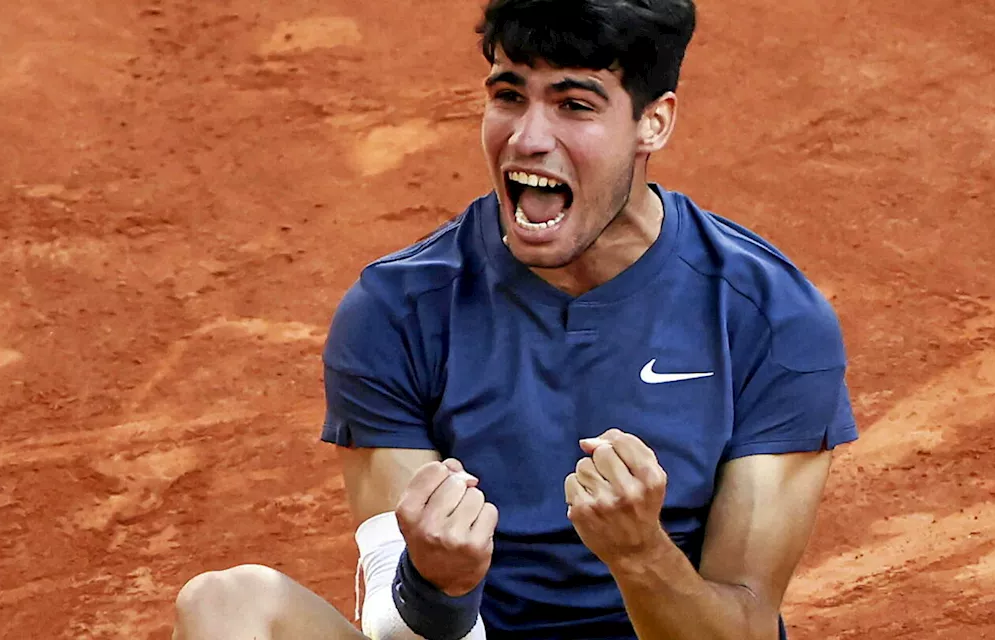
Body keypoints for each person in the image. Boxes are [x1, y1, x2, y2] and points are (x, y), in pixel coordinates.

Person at [173, 0, 859, 638]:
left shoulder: (769, 317)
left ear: (654, 121)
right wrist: (438, 584)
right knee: (228, 604)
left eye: (573, 105)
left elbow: (740, 627)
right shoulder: (398, 311)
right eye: (508, 96)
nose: (528, 138)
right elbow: (397, 625)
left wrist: (639, 553)